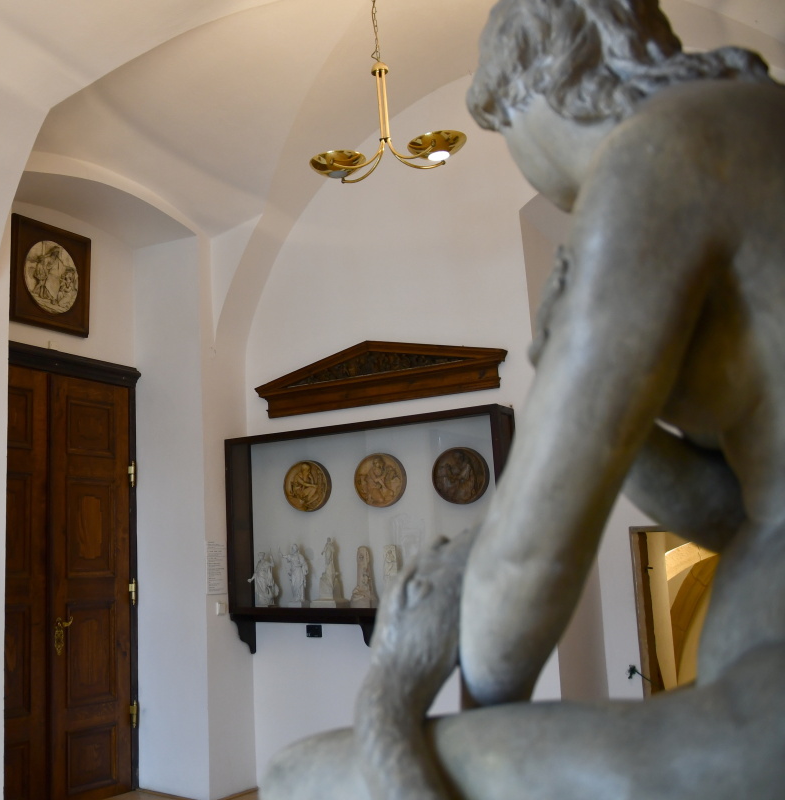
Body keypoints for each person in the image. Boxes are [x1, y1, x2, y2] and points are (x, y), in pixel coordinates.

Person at [261, 1, 785, 797]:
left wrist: (431, 681)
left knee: (299, 777)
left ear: (537, 90)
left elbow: (532, 552)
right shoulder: (746, 127)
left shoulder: (656, 155)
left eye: (502, 130)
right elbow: (739, 510)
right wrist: (567, 366)